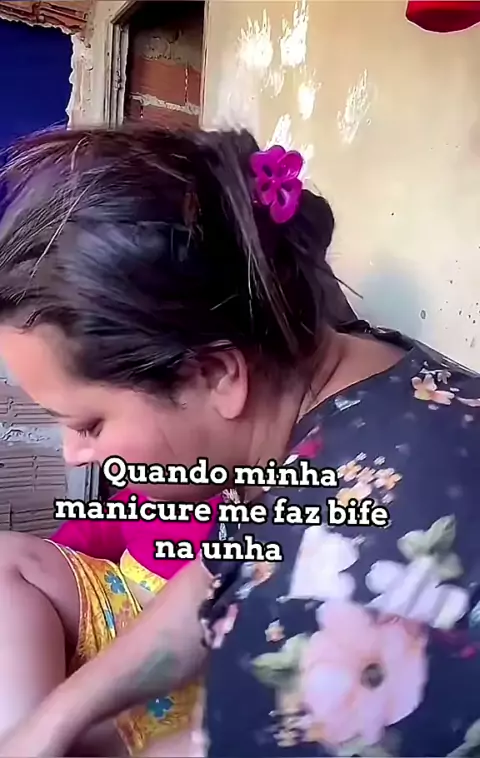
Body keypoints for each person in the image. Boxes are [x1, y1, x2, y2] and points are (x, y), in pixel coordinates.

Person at [0, 125, 478, 758]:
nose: (73, 453)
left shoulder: (339, 595)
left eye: (89, 424)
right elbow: (221, 567)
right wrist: (48, 723)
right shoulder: (366, 370)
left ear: (217, 375)